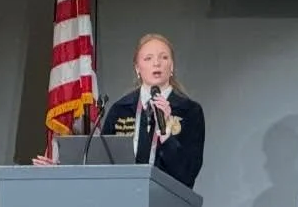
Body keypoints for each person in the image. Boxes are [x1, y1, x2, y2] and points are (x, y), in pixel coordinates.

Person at [32, 35, 206, 189]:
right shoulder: (121, 109)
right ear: (137, 68)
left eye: (164, 57)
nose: (156, 63)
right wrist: (61, 170)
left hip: (168, 202)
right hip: (124, 198)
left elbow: (188, 174)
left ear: (172, 66)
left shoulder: (190, 111)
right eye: (148, 58)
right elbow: (101, 163)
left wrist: (166, 134)